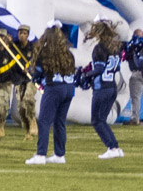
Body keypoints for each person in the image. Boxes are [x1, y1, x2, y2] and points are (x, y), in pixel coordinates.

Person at [26, 23, 76, 165]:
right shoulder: (68, 53)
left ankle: (41, 155)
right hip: (68, 89)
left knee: (44, 121)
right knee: (59, 122)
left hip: (54, 88)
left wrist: (32, 74)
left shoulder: (45, 52)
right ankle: (60, 155)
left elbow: (38, 72)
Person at [85, 19, 125, 160]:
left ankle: (112, 147)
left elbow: (100, 69)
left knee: (97, 121)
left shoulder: (100, 48)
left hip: (102, 88)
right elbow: (117, 68)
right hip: (112, 87)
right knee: (102, 120)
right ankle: (115, 147)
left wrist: (86, 74)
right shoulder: (115, 47)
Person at [8, 24, 38, 139]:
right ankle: (27, 128)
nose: (22, 35)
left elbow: (36, 63)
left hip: (30, 78)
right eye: (20, 33)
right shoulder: (13, 47)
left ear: (28, 35)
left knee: (28, 98)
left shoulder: (33, 48)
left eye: (24, 33)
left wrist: (30, 69)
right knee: (21, 107)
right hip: (18, 78)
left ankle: (33, 120)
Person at [128, 28, 143, 125]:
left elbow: (137, 63)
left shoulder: (133, 46)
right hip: (137, 72)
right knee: (135, 97)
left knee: (135, 97)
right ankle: (135, 118)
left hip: (137, 72)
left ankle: (135, 119)